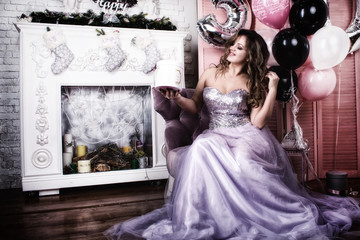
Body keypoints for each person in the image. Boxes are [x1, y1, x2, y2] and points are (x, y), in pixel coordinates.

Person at [104, 29, 360, 239]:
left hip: (245, 135)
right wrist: (177, 98)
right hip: (215, 133)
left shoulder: (254, 81)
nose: (232, 49)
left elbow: (258, 122)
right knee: (203, 147)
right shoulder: (210, 73)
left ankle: (267, 215)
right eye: (233, 45)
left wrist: (271, 88)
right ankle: (201, 219)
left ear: (251, 54)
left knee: (245, 166)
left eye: (240, 47)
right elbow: (194, 107)